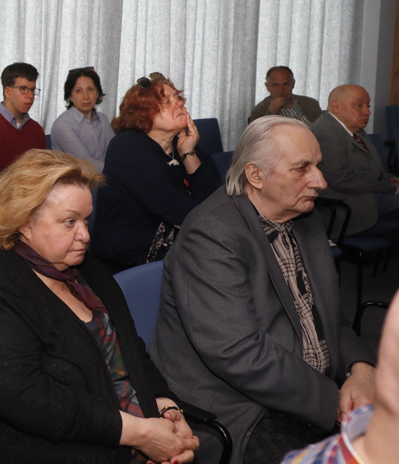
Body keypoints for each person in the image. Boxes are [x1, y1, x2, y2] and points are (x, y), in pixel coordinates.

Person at [0, 149, 199, 464]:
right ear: (24, 224)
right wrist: (140, 435)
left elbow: (130, 350)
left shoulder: (88, 270)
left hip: (110, 425)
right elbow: (32, 402)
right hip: (23, 445)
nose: (85, 235)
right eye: (69, 222)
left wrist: (164, 407)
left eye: (86, 220)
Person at [149, 116, 377, 464]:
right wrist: (335, 402)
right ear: (255, 175)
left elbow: (330, 313)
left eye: (317, 165)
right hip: (241, 407)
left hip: (303, 387)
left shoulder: (303, 215)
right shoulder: (212, 233)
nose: (320, 181)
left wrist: (362, 369)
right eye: (302, 169)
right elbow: (237, 353)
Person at [91, 74, 222, 267]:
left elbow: (215, 200)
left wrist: (188, 154)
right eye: (167, 102)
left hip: (181, 250)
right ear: (144, 113)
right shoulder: (126, 146)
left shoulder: (183, 144)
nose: (178, 103)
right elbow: (170, 205)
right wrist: (226, 226)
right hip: (130, 261)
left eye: (178, 98)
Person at [282, 300, 399, 464]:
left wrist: (362, 367)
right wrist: (329, 398)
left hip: (336, 386)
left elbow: (333, 320)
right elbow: (242, 349)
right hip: (259, 406)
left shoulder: (302, 460)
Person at [310, 84, 399, 238]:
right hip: (347, 205)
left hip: (367, 196)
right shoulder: (325, 133)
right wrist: (391, 187)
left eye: (368, 105)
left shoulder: (352, 128)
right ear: (336, 106)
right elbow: (342, 179)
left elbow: (376, 169)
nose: (367, 111)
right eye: (359, 105)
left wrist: (392, 180)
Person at [0, 62, 47, 190]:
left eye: (33, 90)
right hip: (6, 202)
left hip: (34, 197)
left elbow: (44, 171)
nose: (30, 96)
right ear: (8, 92)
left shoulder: (36, 129)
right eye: (23, 89)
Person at [50, 66, 114, 170]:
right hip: (76, 184)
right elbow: (86, 164)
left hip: (108, 181)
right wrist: (120, 173)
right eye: (78, 91)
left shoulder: (103, 120)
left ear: (97, 93)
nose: (86, 96)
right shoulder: (62, 125)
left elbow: (115, 154)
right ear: (70, 96)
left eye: (90, 89)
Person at [250, 66, 322, 124]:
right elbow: (260, 137)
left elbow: (323, 129)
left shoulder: (311, 103)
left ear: (293, 84)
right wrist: (271, 112)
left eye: (286, 84)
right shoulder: (259, 111)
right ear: (267, 87)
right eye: (275, 85)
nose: (281, 90)